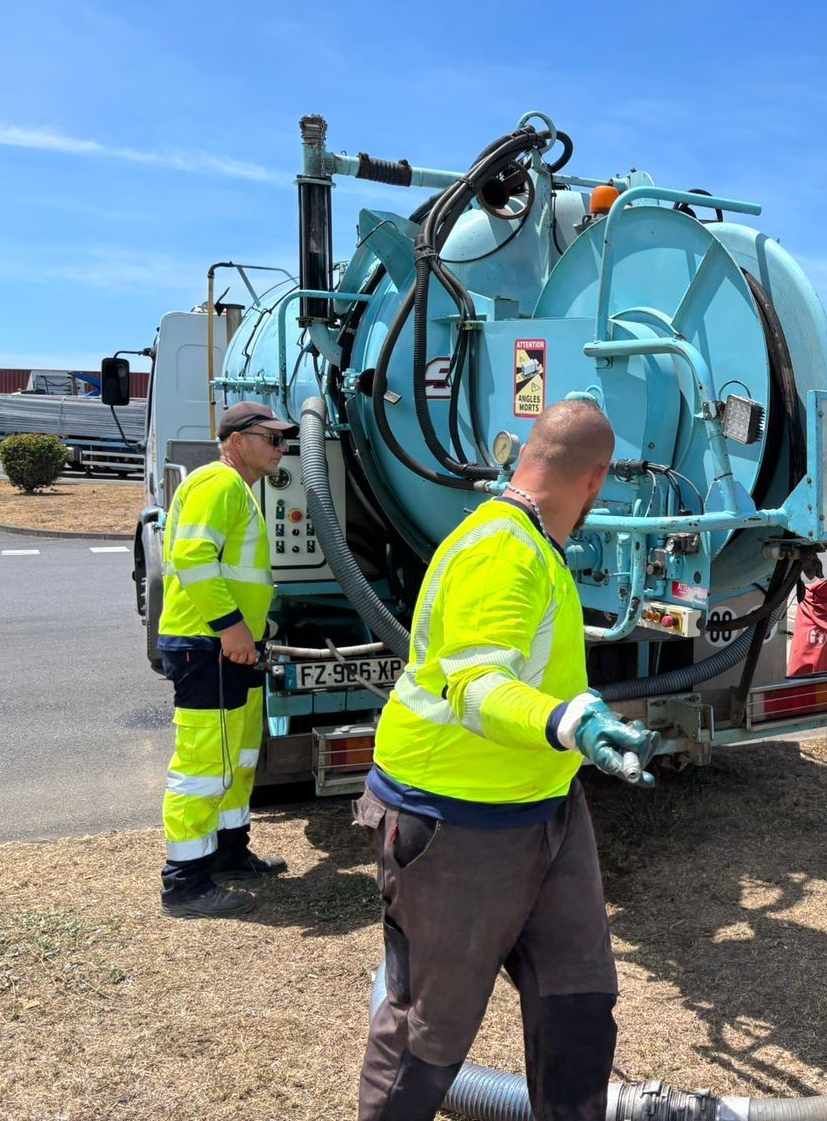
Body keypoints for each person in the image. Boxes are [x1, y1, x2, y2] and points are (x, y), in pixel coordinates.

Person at [355, 398, 658, 1121]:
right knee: (430, 1032)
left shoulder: (532, 542)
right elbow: (476, 684)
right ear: (597, 478)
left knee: (579, 1003)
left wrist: (565, 738)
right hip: (456, 822)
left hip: (546, 809)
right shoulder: (503, 548)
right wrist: (565, 721)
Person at [158, 401, 296, 919]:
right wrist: (233, 628)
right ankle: (186, 884)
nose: (281, 447)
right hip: (207, 646)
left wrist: (258, 628)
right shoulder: (216, 484)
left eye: (284, 440)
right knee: (203, 766)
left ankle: (229, 854)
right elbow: (193, 558)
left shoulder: (237, 489)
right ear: (237, 441)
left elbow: (237, 573)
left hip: (229, 647)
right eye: (272, 438)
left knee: (236, 758)